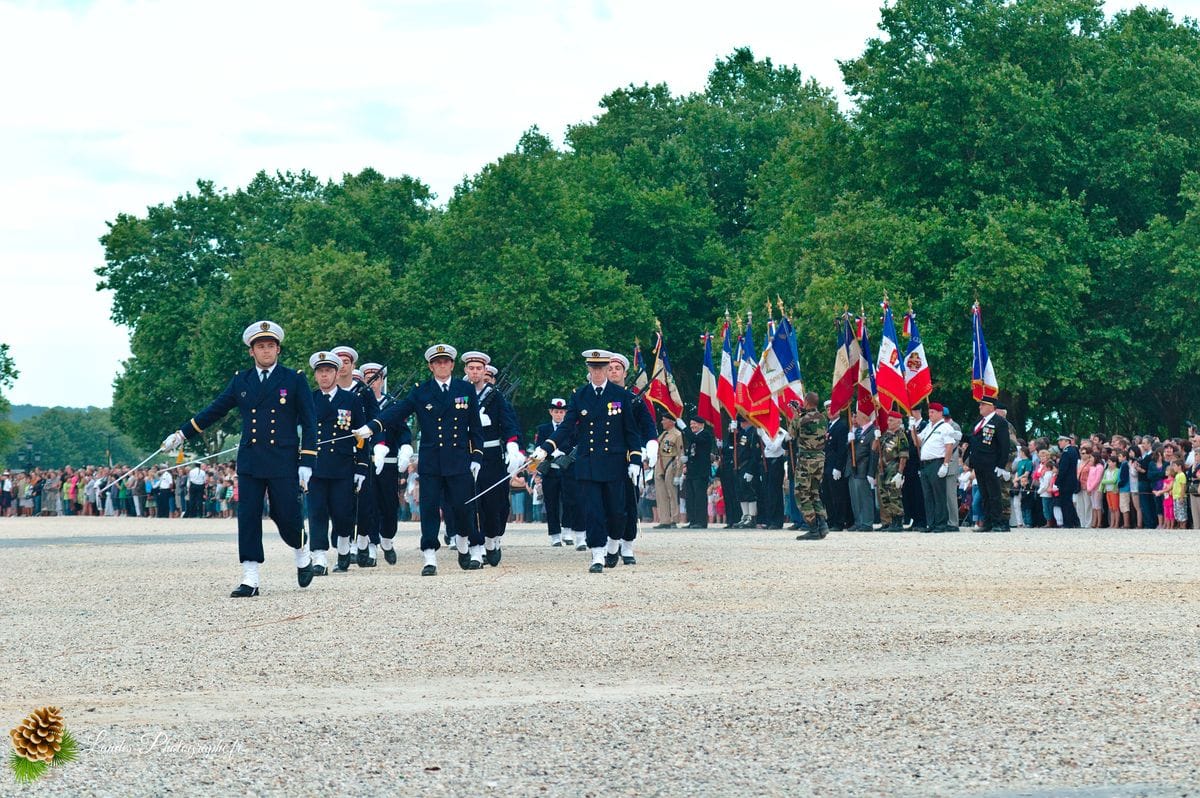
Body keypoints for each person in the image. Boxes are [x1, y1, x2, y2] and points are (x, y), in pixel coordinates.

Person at [161, 320, 318, 598]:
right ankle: (250, 575)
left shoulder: (294, 379)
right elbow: (215, 410)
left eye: (271, 346)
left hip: (283, 459)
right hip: (251, 459)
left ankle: (301, 551)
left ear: (278, 349)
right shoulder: (241, 381)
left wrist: (307, 461)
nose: (266, 351)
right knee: (247, 517)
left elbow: (310, 421)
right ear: (251, 352)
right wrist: (182, 434)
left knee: (287, 515)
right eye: (260, 346)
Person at [354, 344, 484, 576]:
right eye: (437, 362)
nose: (442, 365)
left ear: (452, 365)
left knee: (463, 508)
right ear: (431, 366)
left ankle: (466, 545)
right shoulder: (421, 392)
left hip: (458, 459)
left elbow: (475, 427)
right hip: (432, 459)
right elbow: (397, 412)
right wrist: (372, 427)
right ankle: (429, 556)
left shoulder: (465, 389)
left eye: (445, 362)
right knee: (430, 509)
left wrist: (477, 456)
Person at [528, 349, 644, 574]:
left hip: (615, 462)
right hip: (589, 462)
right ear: (589, 370)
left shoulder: (621, 395)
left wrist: (635, 459)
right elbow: (566, 427)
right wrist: (545, 448)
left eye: (602, 368)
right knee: (593, 511)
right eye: (594, 368)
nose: (598, 372)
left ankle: (613, 545)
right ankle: (598, 554)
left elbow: (630, 431)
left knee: (617, 512)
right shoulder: (580, 395)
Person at [304, 351, 369, 575]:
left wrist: (362, 466)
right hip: (316, 465)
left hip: (342, 466)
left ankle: (343, 547)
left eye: (328, 371)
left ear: (335, 373)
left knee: (343, 512)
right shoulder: (309, 399)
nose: (324, 376)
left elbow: (361, 435)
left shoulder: (351, 399)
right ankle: (319, 557)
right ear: (316, 375)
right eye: (320, 372)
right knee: (317, 512)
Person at [460, 351, 523, 567]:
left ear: (485, 371)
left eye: (479, 368)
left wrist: (513, 446)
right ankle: (476, 549)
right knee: (471, 502)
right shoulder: (461, 395)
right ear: (466, 371)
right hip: (467, 455)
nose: (475, 372)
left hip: (492, 456)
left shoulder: (495, 397)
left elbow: (509, 425)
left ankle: (492, 539)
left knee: (494, 504)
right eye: (471, 368)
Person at [605, 352, 656, 565]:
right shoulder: (599, 396)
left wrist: (650, 445)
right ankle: (607, 544)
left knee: (629, 503)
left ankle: (627, 546)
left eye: (618, 368)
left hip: (629, 457)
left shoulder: (634, 399)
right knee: (605, 504)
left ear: (624, 372)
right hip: (604, 457)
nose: (614, 371)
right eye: (610, 368)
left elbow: (648, 424)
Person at [362, 362, 414, 566]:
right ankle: (372, 547)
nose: (372, 383)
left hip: (389, 463)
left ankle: (387, 539)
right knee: (369, 505)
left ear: (382, 381)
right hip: (367, 462)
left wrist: (405, 448)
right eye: (368, 379)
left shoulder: (392, 406)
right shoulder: (360, 404)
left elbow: (403, 431)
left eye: (376, 378)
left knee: (389, 506)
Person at [534, 398, 579, 546]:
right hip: (550, 470)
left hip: (567, 469)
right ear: (550, 412)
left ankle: (567, 531)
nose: (559, 415)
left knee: (569, 502)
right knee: (551, 503)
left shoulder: (572, 427)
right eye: (556, 411)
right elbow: (539, 446)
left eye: (561, 412)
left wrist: (562, 452)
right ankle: (555, 535)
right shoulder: (543, 429)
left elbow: (575, 446)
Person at [964, 395, 1011, 532]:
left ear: (991, 407)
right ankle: (988, 522)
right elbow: (974, 439)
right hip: (979, 463)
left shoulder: (999, 421)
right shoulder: (980, 421)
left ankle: (997, 522)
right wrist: (960, 436)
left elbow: (1004, 445)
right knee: (984, 494)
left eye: (982, 405)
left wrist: (1001, 465)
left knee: (994, 494)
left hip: (991, 463)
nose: (980, 407)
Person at [789, 392, 831, 540]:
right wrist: (801, 413)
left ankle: (813, 528)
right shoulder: (823, 418)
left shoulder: (801, 419)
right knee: (814, 492)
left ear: (806, 401)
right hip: (819, 459)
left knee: (802, 493)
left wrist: (795, 414)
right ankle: (822, 524)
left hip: (806, 459)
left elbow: (791, 434)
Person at [916, 402, 958, 533]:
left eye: (933, 412)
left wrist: (945, 464)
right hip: (925, 464)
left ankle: (941, 523)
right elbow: (918, 442)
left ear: (940, 413)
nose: (930, 414)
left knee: (939, 494)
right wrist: (912, 428)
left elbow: (949, 446)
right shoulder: (928, 426)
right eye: (929, 412)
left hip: (937, 462)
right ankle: (931, 523)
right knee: (928, 495)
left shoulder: (946, 427)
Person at [678, 413, 716, 529]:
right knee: (690, 497)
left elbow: (695, 440)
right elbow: (693, 451)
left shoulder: (705, 435)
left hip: (701, 472)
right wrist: (686, 460)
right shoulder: (693, 437)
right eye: (690, 424)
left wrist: (684, 428)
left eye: (694, 424)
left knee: (699, 497)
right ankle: (693, 520)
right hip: (691, 471)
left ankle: (701, 521)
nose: (692, 426)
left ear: (701, 425)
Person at [875, 410, 909, 531]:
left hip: (893, 468)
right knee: (884, 495)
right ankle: (889, 522)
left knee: (894, 495)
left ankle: (898, 522)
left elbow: (903, 456)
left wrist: (900, 473)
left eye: (891, 420)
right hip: (882, 469)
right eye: (888, 420)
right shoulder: (885, 435)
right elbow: (874, 449)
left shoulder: (901, 436)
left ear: (899, 422)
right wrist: (876, 437)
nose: (888, 422)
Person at [845, 408, 878, 531]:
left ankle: (867, 522)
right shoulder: (858, 431)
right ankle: (859, 522)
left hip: (863, 469)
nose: (855, 418)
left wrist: (871, 473)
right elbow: (850, 451)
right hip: (853, 469)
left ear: (864, 417)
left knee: (864, 497)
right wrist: (849, 442)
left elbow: (873, 453)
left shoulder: (872, 431)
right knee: (855, 498)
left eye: (857, 415)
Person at [821, 401, 851, 530]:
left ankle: (839, 521)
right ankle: (831, 519)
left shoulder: (842, 426)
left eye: (832, 409)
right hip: (826, 465)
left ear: (838, 411)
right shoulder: (827, 426)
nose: (830, 411)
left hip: (835, 466)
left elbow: (841, 449)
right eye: (827, 409)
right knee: (827, 494)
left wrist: (838, 467)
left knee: (838, 495)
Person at [653, 415, 684, 529]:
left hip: (671, 462)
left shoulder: (677, 434)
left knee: (671, 492)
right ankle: (664, 519)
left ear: (671, 421)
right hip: (660, 462)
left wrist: (678, 474)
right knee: (661, 493)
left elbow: (681, 454)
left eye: (664, 420)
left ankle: (674, 519)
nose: (662, 422)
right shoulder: (663, 434)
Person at [1056, 434, 1082, 528]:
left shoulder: (1067, 451)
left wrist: (1057, 481)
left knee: (1065, 502)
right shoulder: (1072, 450)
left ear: (1067, 441)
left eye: (1061, 440)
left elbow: (1063, 469)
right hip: (1070, 481)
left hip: (1066, 481)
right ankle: (1074, 521)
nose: (1059, 442)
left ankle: (1068, 522)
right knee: (1068, 502)